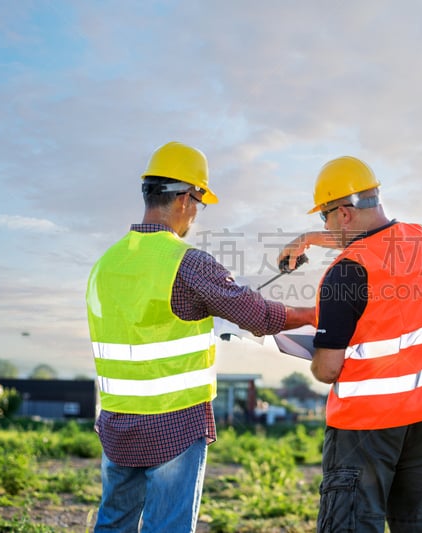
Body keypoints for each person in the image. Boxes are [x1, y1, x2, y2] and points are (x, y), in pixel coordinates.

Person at [85, 141, 315, 532]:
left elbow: (149, 323)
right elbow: (255, 314)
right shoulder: (186, 262)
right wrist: (312, 313)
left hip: (118, 424)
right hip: (173, 425)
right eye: (199, 203)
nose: (196, 214)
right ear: (186, 199)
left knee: (113, 523)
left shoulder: (105, 264)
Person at [279, 156, 422, 532]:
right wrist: (308, 239)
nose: (323, 226)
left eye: (323, 217)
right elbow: (378, 250)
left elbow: (327, 370)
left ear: (342, 213)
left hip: (365, 428)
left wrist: (312, 346)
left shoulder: (345, 273)